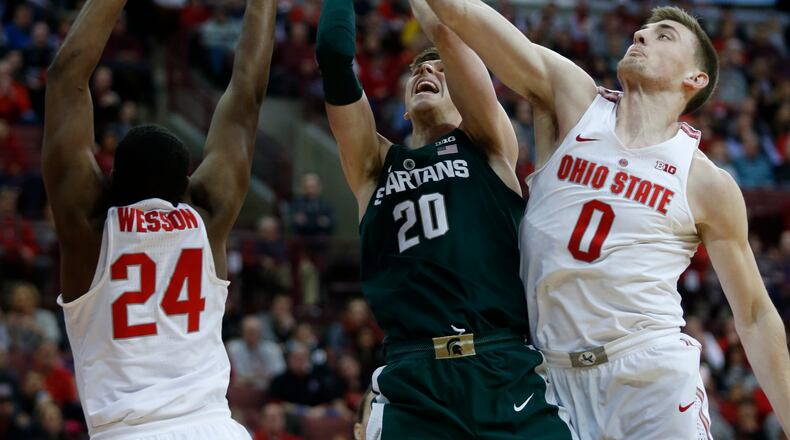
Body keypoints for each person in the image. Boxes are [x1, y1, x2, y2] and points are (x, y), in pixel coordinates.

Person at [425, 2, 790, 438]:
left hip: (649, 372)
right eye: (641, 31)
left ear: (695, 79)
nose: (640, 37)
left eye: (663, 36)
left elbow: (752, 314)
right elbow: (461, 15)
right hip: (551, 376)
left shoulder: (706, 181)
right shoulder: (573, 100)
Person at [316, 0, 574, 438]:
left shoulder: (488, 142)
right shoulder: (374, 165)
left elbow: (450, 32)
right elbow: (334, 60)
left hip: (500, 364)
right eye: (416, 71)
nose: (425, 73)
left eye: (438, 70)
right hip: (414, 379)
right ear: (402, 106)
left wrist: (436, 31)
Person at [41, 0, 276, 438]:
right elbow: (246, 94)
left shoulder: (91, 232)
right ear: (187, 184)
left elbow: (65, 78)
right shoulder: (206, 220)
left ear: (109, 180)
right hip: (214, 427)